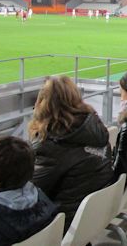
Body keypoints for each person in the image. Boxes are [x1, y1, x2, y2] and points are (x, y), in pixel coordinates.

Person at [29, 76, 113, 231]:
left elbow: (29, 192)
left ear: (43, 103)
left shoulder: (51, 145)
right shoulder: (96, 130)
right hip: (94, 215)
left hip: (65, 223)